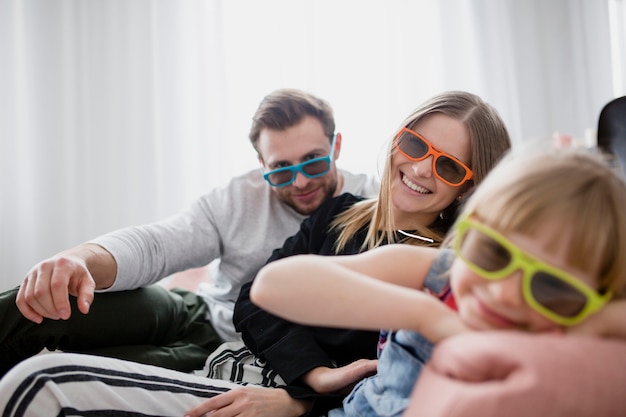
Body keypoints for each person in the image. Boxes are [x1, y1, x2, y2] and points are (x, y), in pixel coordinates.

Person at [0, 91, 513, 417]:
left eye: (449, 168)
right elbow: (238, 288)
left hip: (240, 365)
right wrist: (80, 257)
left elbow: (389, 376)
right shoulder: (341, 212)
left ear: (336, 147)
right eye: (416, 146)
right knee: (37, 317)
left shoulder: (436, 265)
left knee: (43, 374)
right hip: (214, 327)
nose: (422, 170)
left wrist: (305, 396)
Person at [0, 88, 380, 377]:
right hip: (194, 311)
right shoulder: (238, 198)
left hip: (242, 351)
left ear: (336, 146)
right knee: (37, 306)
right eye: (280, 169)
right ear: (261, 164)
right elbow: (158, 245)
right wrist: (80, 258)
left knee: (66, 372)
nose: (298, 181)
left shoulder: (374, 204)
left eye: (313, 162)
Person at [249, 147, 626, 417]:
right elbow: (273, 285)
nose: (503, 292)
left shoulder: (574, 330)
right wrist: (429, 317)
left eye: (550, 287)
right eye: (493, 254)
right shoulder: (438, 271)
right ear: (467, 231)